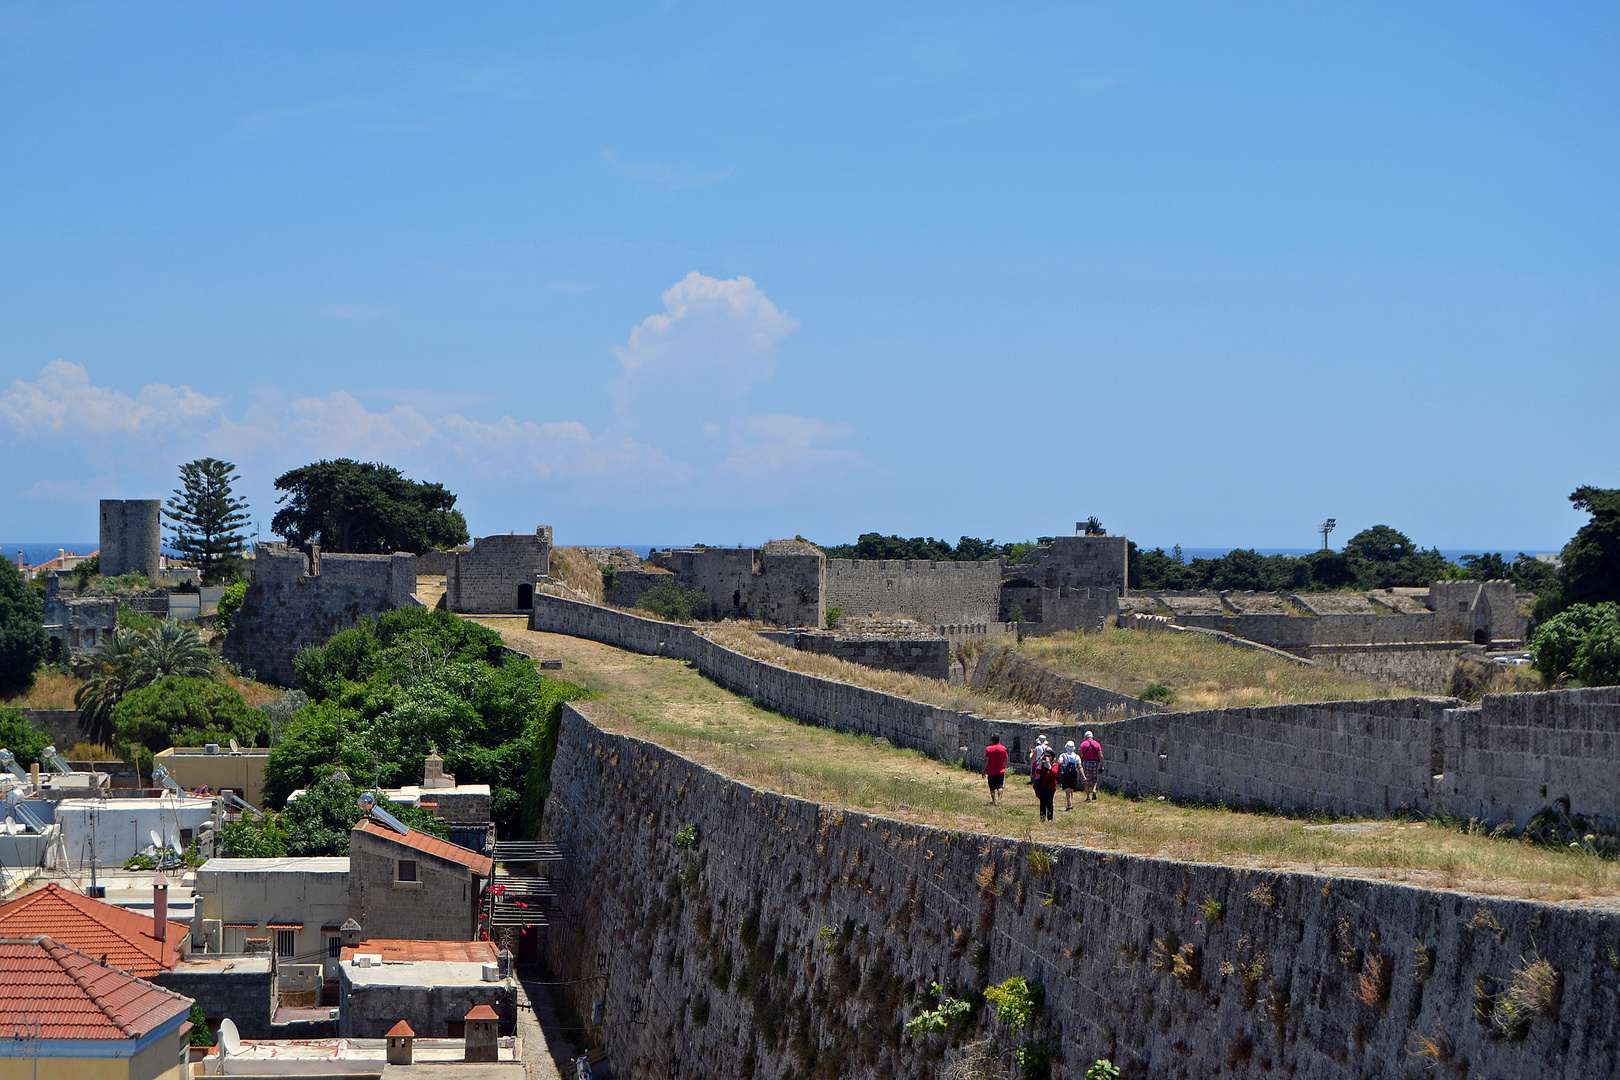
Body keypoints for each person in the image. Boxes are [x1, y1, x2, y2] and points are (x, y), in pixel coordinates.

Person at [1031, 745, 1058, 821]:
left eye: (1048, 756)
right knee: (1042, 802)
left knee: (1049, 802)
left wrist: (1049, 764)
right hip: (1042, 785)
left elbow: (1053, 773)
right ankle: (1042, 818)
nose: (1046, 757)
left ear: (1052, 757)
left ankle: (1050, 818)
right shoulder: (1043, 764)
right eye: (1045, 755)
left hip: (1051, 787)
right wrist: (1040, 763)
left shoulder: (1054, 765)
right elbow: (1038, 772)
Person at [1078, 730, 1105, 802]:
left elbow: (1080, 755)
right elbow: (1101, 756)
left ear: (1086, 737)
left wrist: (1078, 763)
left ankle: (1088, 797)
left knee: (1087, 779)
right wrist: (1102, 766)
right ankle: (1094, 790)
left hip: (1086, 762)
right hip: (1095, 763)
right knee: (1094, 778)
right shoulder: (1097, 744)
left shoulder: (1083, 744)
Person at [1057, 740, 1083, 811]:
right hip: (1074, 773)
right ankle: (1070, 803)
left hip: (1066, 773)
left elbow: (1059, 762)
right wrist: (1083, 776)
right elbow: (1080, 766)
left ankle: (1069, 804)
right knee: (1071, 789)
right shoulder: (1077, 756)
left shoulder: (1063, 755)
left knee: (1067, 789)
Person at [983, 737, 1009, 805]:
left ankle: (993, 800)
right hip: (1000, 770)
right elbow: (1006, 759)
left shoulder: (988, 749)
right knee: (1000, 786)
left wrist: (984, 769)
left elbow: (986, 760)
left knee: (992, 787)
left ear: (992, 740)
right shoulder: (1003, 748)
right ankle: (999, 800)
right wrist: (1004, 766)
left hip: (991, 770)